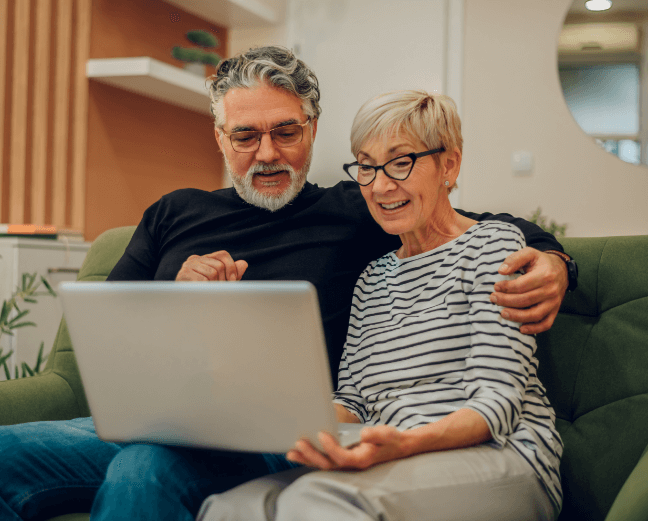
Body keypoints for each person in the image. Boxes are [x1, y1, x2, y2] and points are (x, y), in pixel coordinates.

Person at [0, 47, 572, 521]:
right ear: (219, 136)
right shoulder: (171, 212)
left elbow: (468, 225)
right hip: (145, 419)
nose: (267, 153)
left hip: (264, 437)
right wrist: (172, 293)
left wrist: (552, 258)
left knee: (144, 471)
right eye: (246, 135)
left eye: (286, 131)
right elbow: (107, 332)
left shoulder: (359, 208)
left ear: (311, 130)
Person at [197, 90, 562, 521]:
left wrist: (404, 444)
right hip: (395, 456)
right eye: (367, 166)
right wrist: (282, 421)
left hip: (504, 457)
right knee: (231, 506)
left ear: (449, 165)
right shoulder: (373, 278)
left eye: (401, 161)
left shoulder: (493, 246)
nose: (381, 185)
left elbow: (497, 403)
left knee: (315, 501)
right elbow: (352, 400)